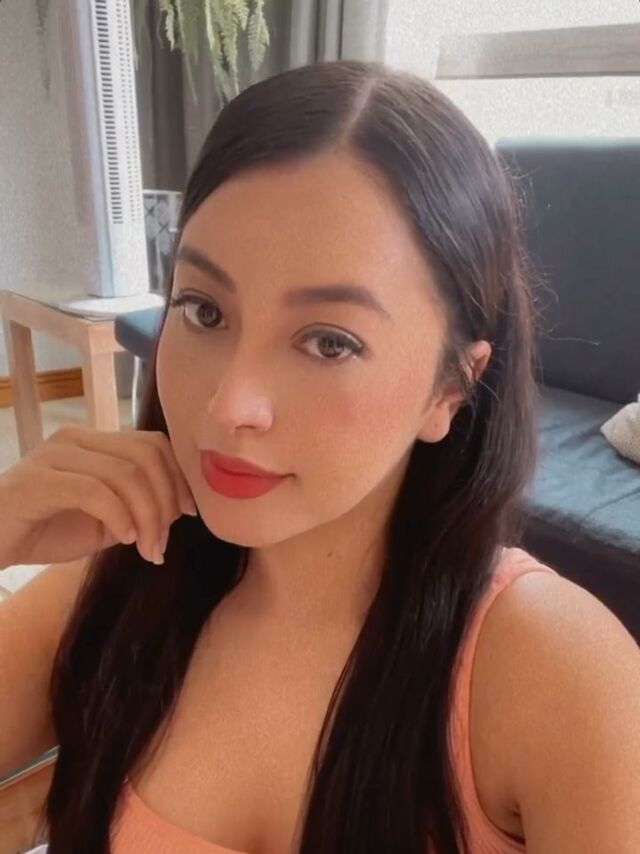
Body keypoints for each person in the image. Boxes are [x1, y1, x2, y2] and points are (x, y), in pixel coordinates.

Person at [1, 60, 639, 854]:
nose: (230, 404)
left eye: (330, 341)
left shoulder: (555, 676)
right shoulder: (121, 590)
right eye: (204, 310)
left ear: (452, 386)